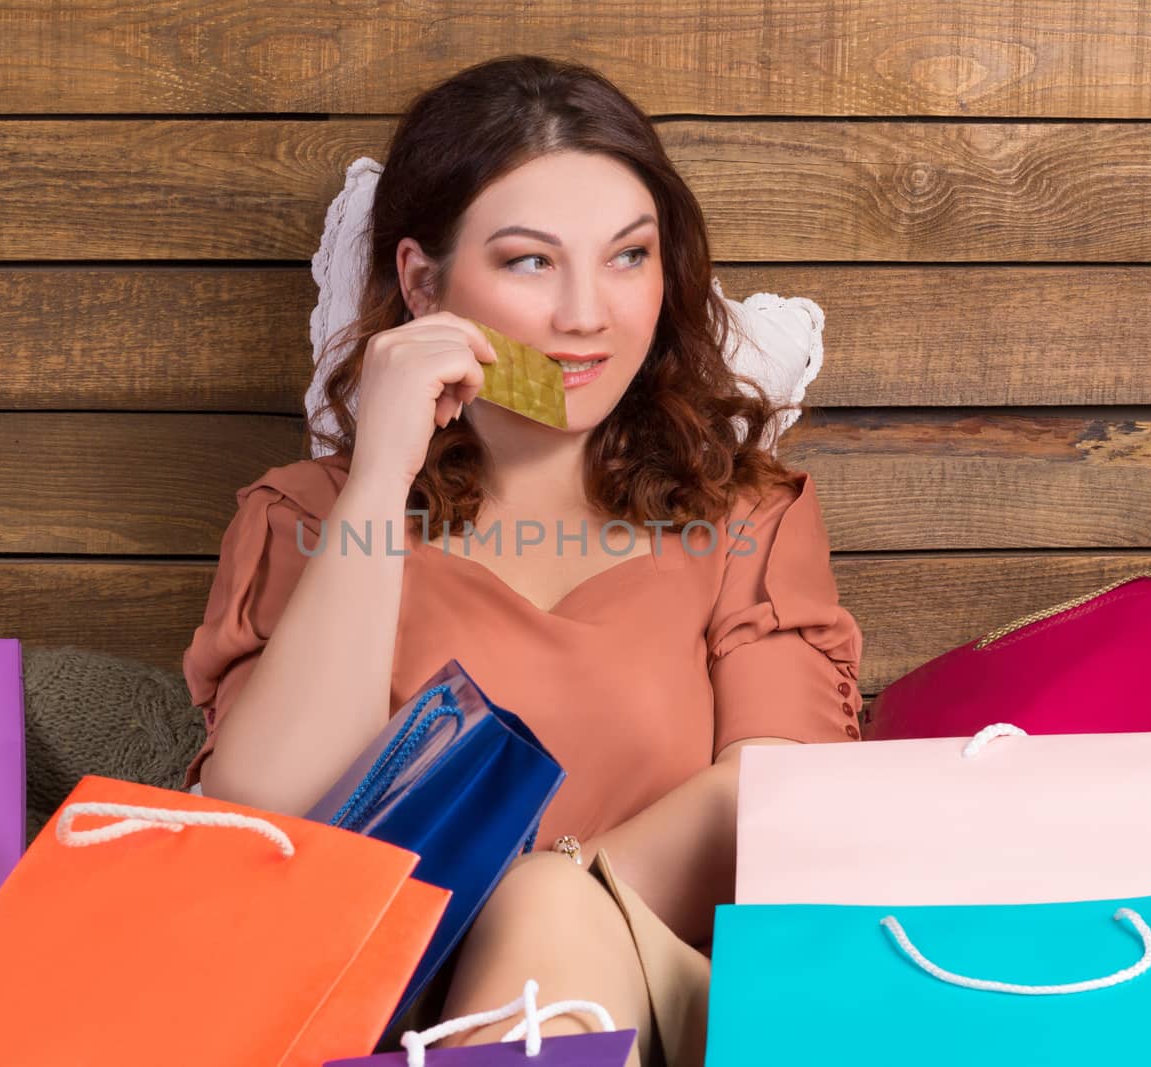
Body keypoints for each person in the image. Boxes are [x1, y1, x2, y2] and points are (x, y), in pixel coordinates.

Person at [182, 54, 865, 1066]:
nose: (587, 314)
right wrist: (377, 476)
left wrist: (541, 894)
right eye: (530, 261)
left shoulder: (744, 514)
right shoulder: (310, 513)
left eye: (628, 256)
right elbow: (272, 817)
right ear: (422, 280)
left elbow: (777, 804)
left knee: (549, 903)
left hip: (669, 1007)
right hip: (363, 1014)